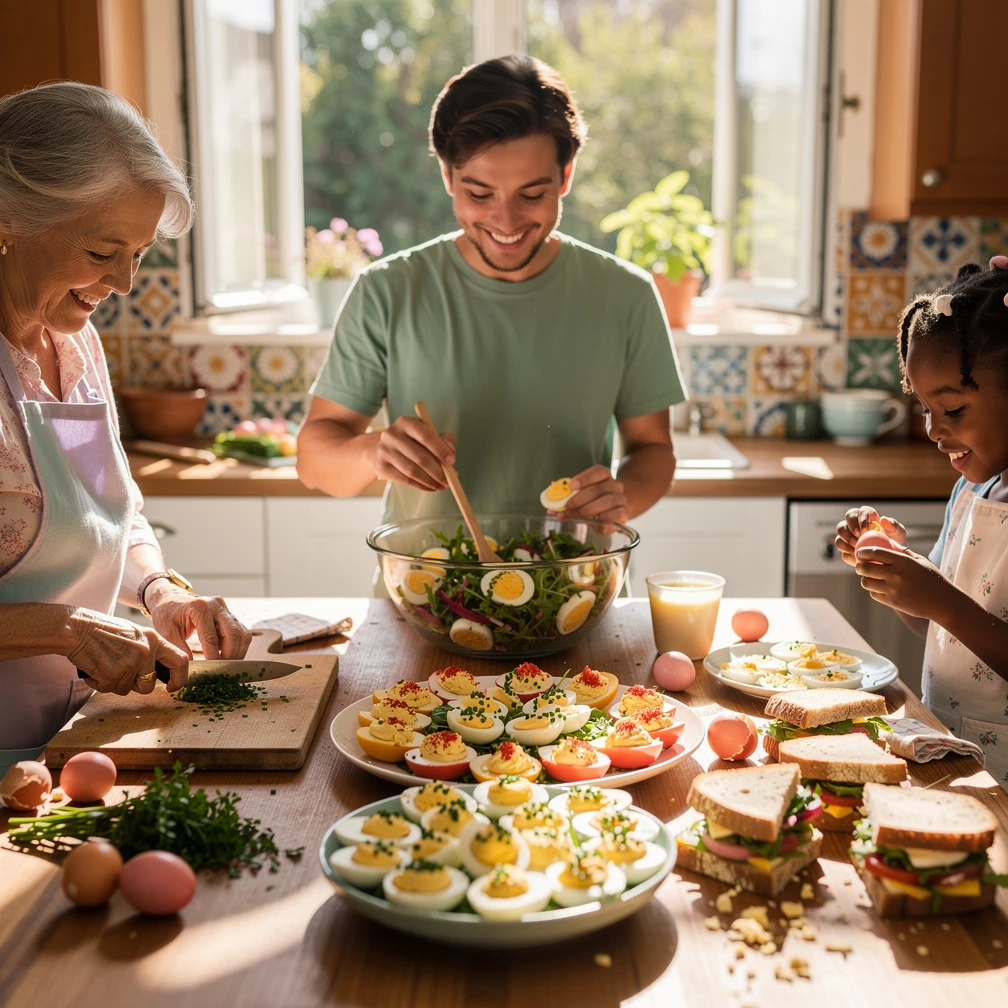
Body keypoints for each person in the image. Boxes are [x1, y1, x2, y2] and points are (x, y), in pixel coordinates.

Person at [297, 55, 685, 536]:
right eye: (479, 194)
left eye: (532, 194)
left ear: (565, 177)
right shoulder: (388, 290)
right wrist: (369, 452)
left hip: (574, 594)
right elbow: (314, 458)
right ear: (447, 177)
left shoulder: (626, 295)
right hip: (422, 596)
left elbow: (654, 450)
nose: (506, 222)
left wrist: (621, 497)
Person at [0, 82, 251, 765]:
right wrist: (69, 629)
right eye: (102, 252)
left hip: (67, 742)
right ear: (7, 221)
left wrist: (156, 590)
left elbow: (108, 504)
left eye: (138, 254)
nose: (125, 283)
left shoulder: (75, 348)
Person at [834, 263, 1008, 789]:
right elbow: (942, 631)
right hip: (954, 751)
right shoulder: (972, 487)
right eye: (924, 406)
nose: (933, 429)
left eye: (952, 407)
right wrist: (903, 579)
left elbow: (949, 611)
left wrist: (938, 598)